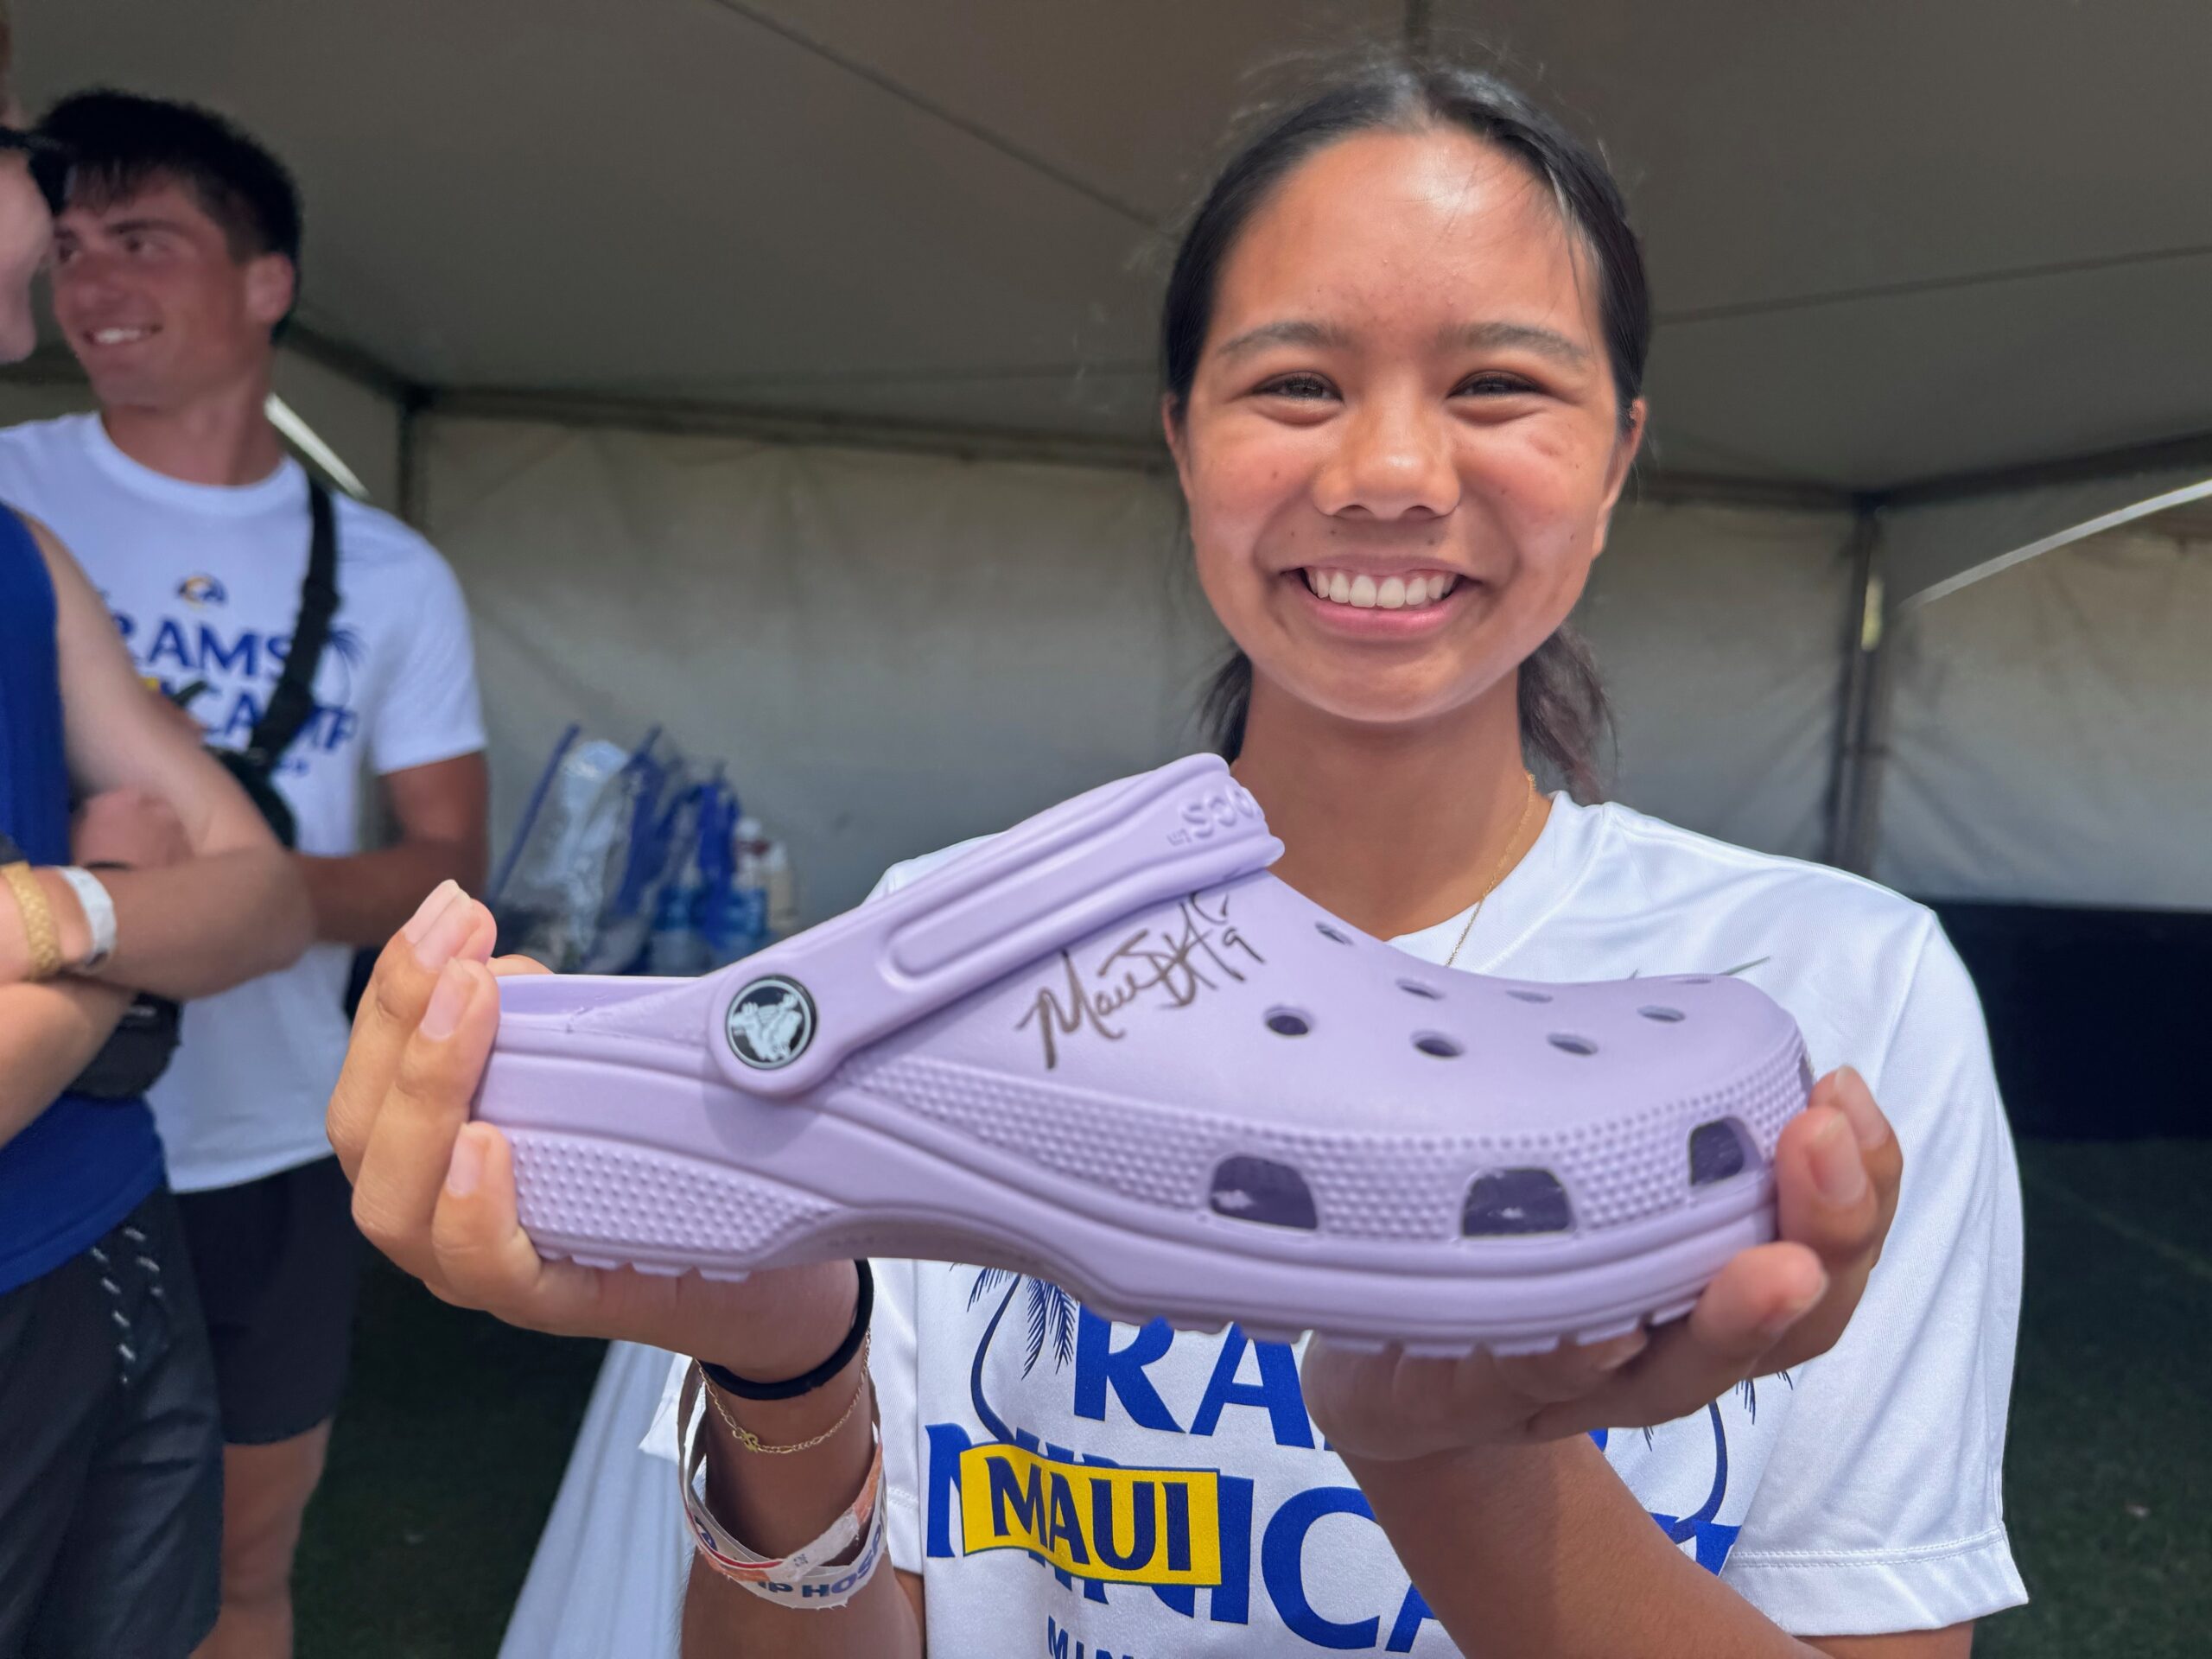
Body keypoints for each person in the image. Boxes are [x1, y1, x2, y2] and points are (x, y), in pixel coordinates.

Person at [329, 54, 2024, 1658]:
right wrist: (788, 1369)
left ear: (1615, 458)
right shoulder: (951, 963)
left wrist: (1459, 1465)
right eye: (1293, 386)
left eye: (1498, 386)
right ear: (1181, 440)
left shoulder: (1833, 991)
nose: (1385, 474)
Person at [0, 90, 489, 1659]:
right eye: (67, 245)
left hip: (275, 1128)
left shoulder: (388, 571)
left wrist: (192, 908)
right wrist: (167, 908)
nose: (87, 284)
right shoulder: (23, 493)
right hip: (65, 1144)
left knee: (239, 1559)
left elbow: (444, 869)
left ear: (269, 282)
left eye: (140, 240)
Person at [0, 10, 315, 1652]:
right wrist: (128, 924)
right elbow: (211, 894)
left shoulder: (18, 553)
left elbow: (263, 898)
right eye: (18, 162)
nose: (48, 225)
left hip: (119, 1244)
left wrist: (57, 909)